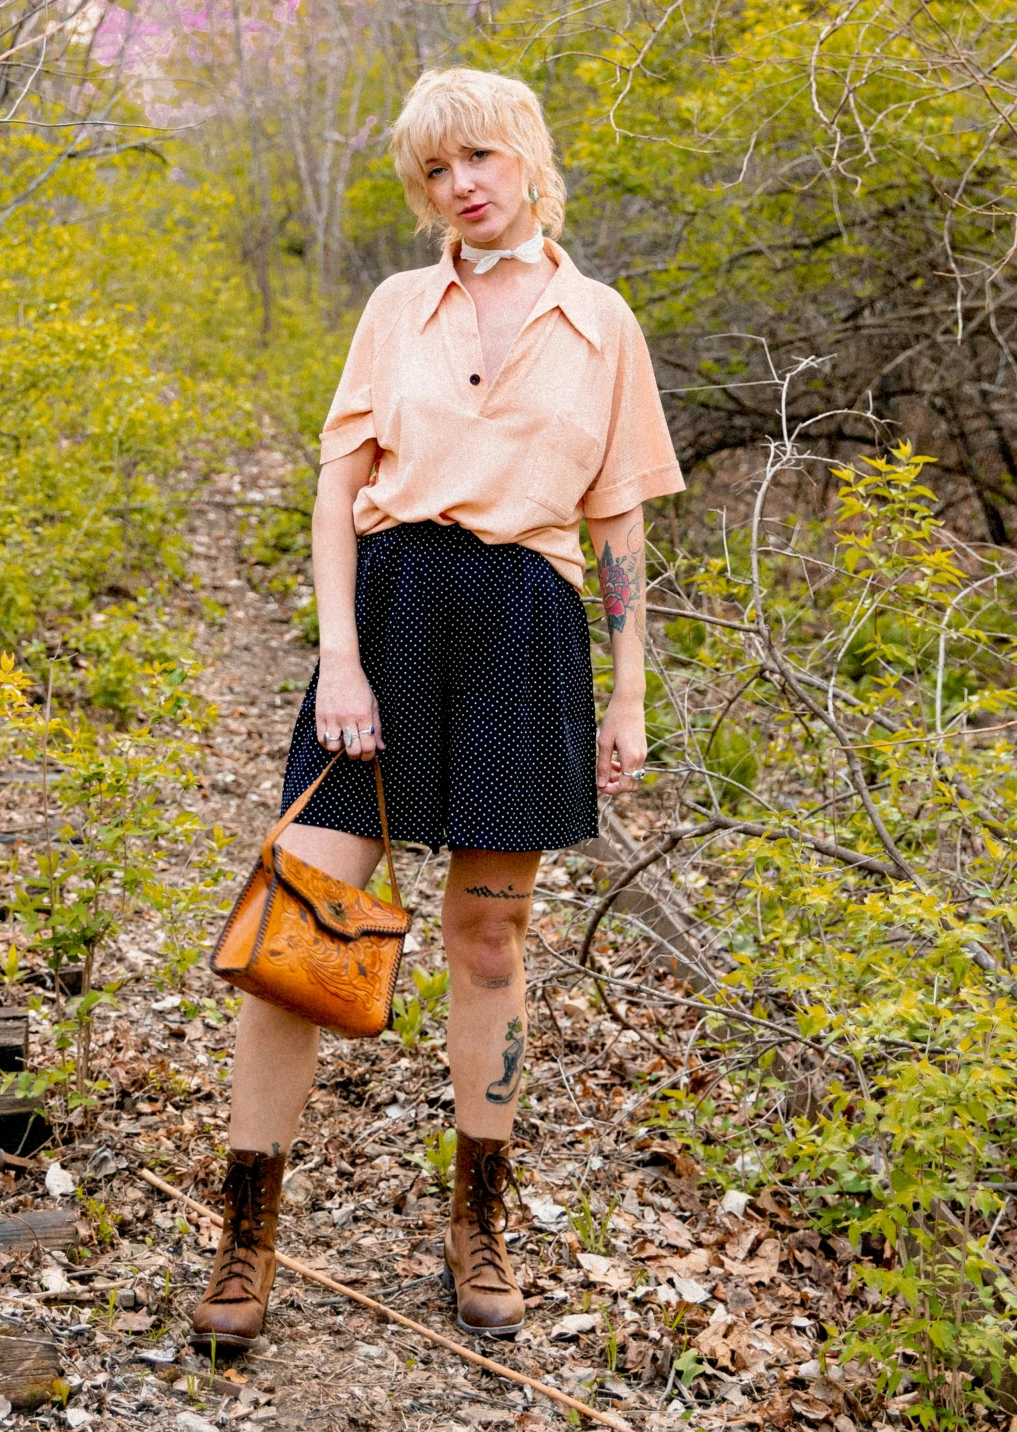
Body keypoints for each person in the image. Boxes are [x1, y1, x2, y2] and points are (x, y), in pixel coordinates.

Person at [191, 66, 684, 1348]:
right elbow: (334, 487)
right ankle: (246, 1237)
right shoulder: (397, 307)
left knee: (485, 940)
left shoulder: (602, 322)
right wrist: (340, 657)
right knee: (298, 931)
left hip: (526, 628)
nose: (458, 185)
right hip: (394, 610)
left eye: (475, 158)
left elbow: (617, 516)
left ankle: (480, 1221)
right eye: (432, 171)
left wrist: (627, 690)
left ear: (522, 154)